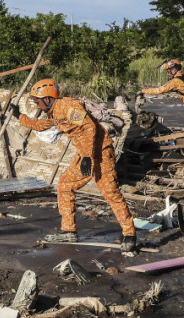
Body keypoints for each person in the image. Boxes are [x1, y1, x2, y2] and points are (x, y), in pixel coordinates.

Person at [12, 79, 137, 253]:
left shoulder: (69, 107)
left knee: (110, 193)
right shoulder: (54, 112)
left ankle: (130, 234)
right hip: (85, 155)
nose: (38, 106)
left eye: (38, 102)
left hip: (100, 153)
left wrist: (87, 156)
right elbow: (42, 126)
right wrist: (20, 117)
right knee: (65, 186)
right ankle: (69, 231)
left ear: (48, 99)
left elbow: (90, 128)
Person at [138, 59, 184, 131]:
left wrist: (143, 91)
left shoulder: (175, 82)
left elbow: (159, 90)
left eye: (168, 71)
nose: (168, 74)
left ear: (173, 70)